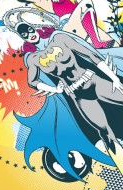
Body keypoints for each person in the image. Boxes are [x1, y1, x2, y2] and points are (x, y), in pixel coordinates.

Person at [23, 32, 123, 174]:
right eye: (24, 34)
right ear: (23, 38)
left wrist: (114, 78)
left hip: (93, 81)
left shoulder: (59, 39)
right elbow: (32, 81)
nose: (30, 34)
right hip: (78, 94)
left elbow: (90, 55)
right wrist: (54, 89)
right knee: (105, 133)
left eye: (29, 30)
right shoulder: (33, 59)